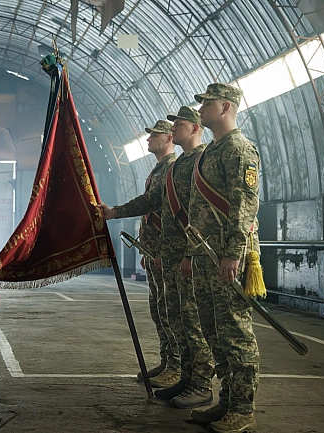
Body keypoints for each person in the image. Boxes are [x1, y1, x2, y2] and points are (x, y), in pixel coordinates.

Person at [185, 83, 260, 433]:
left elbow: (244, 205)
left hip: (227, 257)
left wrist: (233, 254)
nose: (201, 109)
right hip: (206, 255)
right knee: (214, 332)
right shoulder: (211, 151)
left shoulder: (239, 149)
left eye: (207, 103)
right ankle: (227, 401)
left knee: (235, 333)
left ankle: (243, 409)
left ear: (226, 107)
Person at [100, 120, 180, 389]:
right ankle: (168, 361)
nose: (148, 140)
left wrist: (115, 212)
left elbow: (152, 204)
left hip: (167, 253)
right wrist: (149, 250)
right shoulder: (159, 169)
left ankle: (177, 366)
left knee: (171, 312)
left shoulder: (172, 168)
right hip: (156, 252)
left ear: (168, 138)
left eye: (154, 135)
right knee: (159, 310)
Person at [152, 106, 215, 409]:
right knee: (178, 320)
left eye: (179, 124)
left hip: (188, 258)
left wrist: (190, 253)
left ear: (194, 128)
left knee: (193, 322)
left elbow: (201, 215)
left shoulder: (202, 161)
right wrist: (116, 212)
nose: (173, 128)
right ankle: (186, 379)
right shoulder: (179, 165)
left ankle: (201, 384)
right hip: (173, 256)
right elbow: (155, 201)